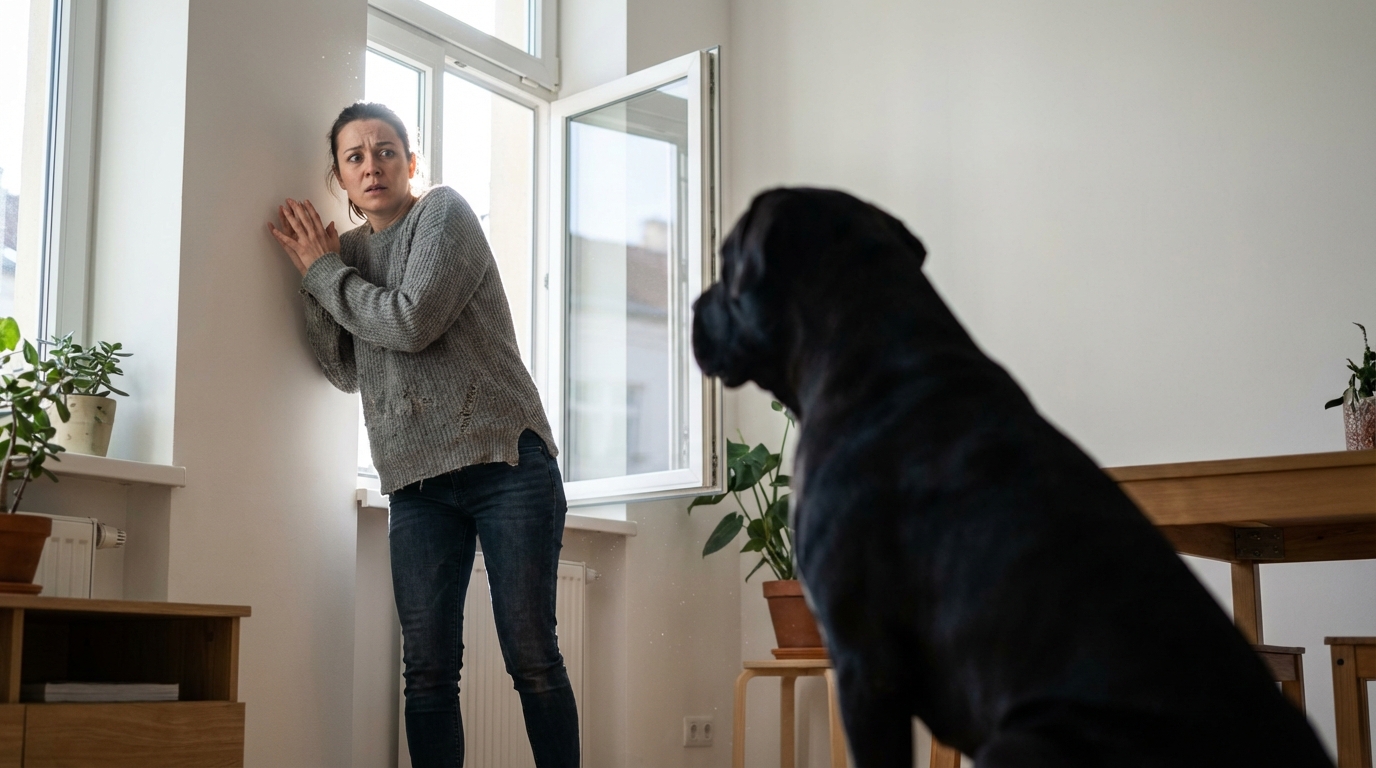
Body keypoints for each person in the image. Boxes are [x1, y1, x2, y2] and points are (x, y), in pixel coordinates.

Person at [268, 102, 580, 768]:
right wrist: (314, 274)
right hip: (416, 482)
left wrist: (325, 276)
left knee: (531, 653)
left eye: (385, 151)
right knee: (428, 670)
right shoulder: (345, 256)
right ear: (340, 179)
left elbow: (411, 323)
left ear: (410, 164)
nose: (371, 164)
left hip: (505, 461)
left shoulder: (445, 215)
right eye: (354, 157)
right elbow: (342, 368)